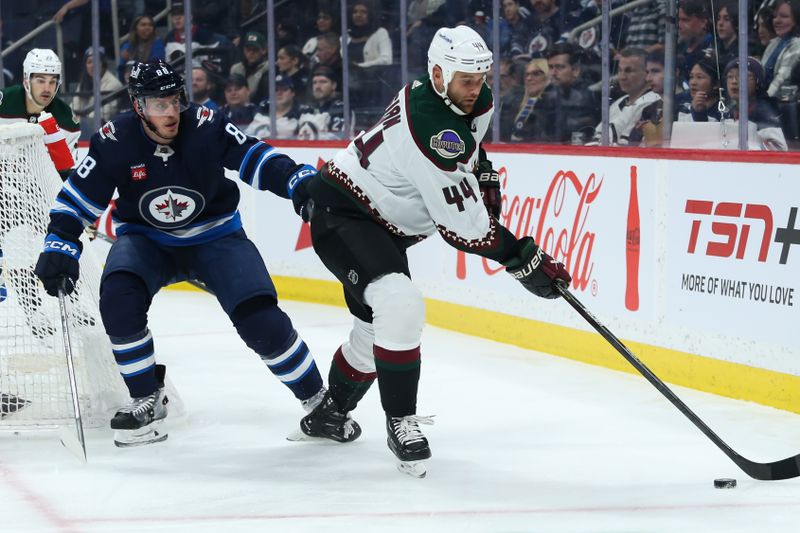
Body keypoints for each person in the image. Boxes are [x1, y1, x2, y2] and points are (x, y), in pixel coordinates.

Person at [289, 26, 571, 476]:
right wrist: (523, 259)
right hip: (345, 212)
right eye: (466, 79)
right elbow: (464, 228)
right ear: (438, 75)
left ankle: (330, 411)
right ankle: (401, 421)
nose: (476, 87)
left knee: (375, 326)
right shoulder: (432, 127)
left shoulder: (458, 96)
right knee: (399, 303)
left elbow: (470, 148)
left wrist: (484, 172)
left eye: (481, 77)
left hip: (384, 221)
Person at [31, 60, 334, 447]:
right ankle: (146, 398)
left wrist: (294, 178)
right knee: (119, 299)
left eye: (174, 100)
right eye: (158, 104)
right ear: (139, 106)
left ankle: (319, 402)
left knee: (261, 319)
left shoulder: (206, 124)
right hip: (147, 241)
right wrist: (60, 242)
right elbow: (76, 200)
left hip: (216, 236)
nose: (170, 112)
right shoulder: (115, 138)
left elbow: (255, 157)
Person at [0, 48, 81, 414]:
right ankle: (31, 306)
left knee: (42, 247)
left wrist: (76, 211)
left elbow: (65, 169)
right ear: (26, 79)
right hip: (3, 192)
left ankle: (39, 305)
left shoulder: (63, 116)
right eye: (40, 80)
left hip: (33, 193)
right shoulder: (5, 101)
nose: (47, 87)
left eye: (52, 81)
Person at [587, 47, 659, 146]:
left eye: (628, 71)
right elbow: (596, 137)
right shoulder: (617, 103)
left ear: (646, 73)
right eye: (620, 70)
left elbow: (627, 146)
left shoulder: (652, 102)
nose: (622, 77)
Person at [530, 42, 598, 143]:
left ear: (575, 70)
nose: (553, 73)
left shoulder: (591, 98)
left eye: (560, 67)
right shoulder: (546, 97)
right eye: (551, 67)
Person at [723, 57, 787, 150]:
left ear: (758, 82)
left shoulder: (766, 114)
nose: (734, 81)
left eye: (743, 76)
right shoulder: (729, 112)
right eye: (730, 76)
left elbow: (779, 151)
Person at [72, 46, 125, 128]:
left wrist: (79, 120)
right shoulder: (84, 83)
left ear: (103, 64)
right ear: (85, 66)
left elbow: (103, 114)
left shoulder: (113, 84)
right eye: (89, 62)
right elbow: (73, 106)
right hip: (83, 128)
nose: (93, 65)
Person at [297, 66, 353, 140]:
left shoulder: (341, 109)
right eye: (314, 83)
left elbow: (337, 139)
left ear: (334, 85)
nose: (317, 86)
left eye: (323, 82)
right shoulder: (308, 110)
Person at [761, 0, 800, 99]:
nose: (777, 21)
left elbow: (781, 81)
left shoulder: (797, 44)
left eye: (784, 16)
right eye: (775, 16)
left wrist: (761, 101)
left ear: (796, 19)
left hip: (778, 105)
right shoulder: (773, 43)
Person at [508, 58, 549, 141]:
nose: (529, 78)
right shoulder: (515, 101)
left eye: (536, 74)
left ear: (547, 76)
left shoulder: (551, 103)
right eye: (527, 74)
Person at [230, 32, 270, 102]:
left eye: (255, 49)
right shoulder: (236, 68)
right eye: (248, 49)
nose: (251, 53)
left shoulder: (269, 67)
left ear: (264, 50)